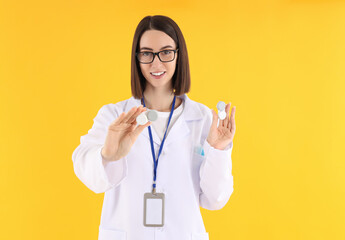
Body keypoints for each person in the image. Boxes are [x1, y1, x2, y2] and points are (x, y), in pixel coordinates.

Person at [72, 15, 236, 240]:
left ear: (179, 55)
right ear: (137, 58)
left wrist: (217, 151)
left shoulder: (204, 120)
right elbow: (87, 172)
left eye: (166, 52)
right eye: (147, 53)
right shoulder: (114, 116)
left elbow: (215, 199)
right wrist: (106, 155)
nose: (156, 63)